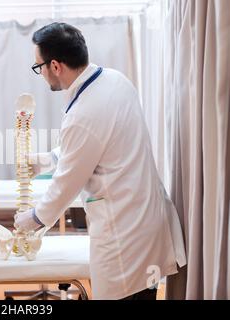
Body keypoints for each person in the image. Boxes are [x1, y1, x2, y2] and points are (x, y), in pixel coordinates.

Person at [14, 22, 187, 300]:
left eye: (39, 67)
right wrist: (48, 159)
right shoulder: (115, 80)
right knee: (145, 291)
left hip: (123, 235)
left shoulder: (83, 114)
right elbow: (100, 143)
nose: (41, 74)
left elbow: (66, 185)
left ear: (55, 65)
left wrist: (34, 219)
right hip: (147, 220)